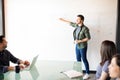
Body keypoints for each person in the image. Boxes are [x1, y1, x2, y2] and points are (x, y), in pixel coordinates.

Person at [59, 14, 91, 79]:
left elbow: (88, 38)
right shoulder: (76, 26)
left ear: (82, 20)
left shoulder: (85, 28)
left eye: (78, 19)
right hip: (77, 46)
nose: (76, 20)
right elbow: (70, 23)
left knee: (84, 59)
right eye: (76, 19)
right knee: (78, 60)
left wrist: (80, 41)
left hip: (82, 46)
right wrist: (62, 20)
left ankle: (87, 73)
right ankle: (79, 72)